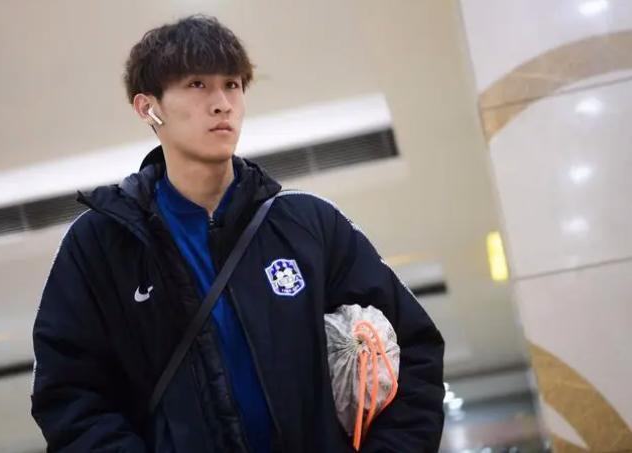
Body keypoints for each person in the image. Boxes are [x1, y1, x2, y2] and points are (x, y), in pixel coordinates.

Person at [31, 14, 445, 453]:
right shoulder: (100, 244)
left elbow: (415, 349)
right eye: (197, 84)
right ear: (148, 107)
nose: (221, 103)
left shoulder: (309, 225)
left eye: (231, 85)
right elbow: (69, 396)